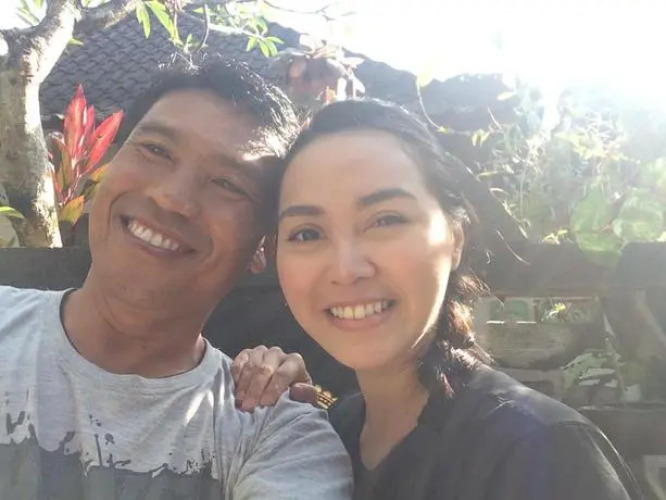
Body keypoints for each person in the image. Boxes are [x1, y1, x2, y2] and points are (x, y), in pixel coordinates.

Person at [232, 99, 643, 499]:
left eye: (386, 220)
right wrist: (268, 404)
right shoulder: (322, 437)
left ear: (455, 239)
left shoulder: (541, 452)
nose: (346, 268)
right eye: (307, 233)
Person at [0, 59, 352, 499]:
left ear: (263, 245)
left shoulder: (277, 435)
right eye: (156, 150)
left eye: (227, 183)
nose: (171, 198)